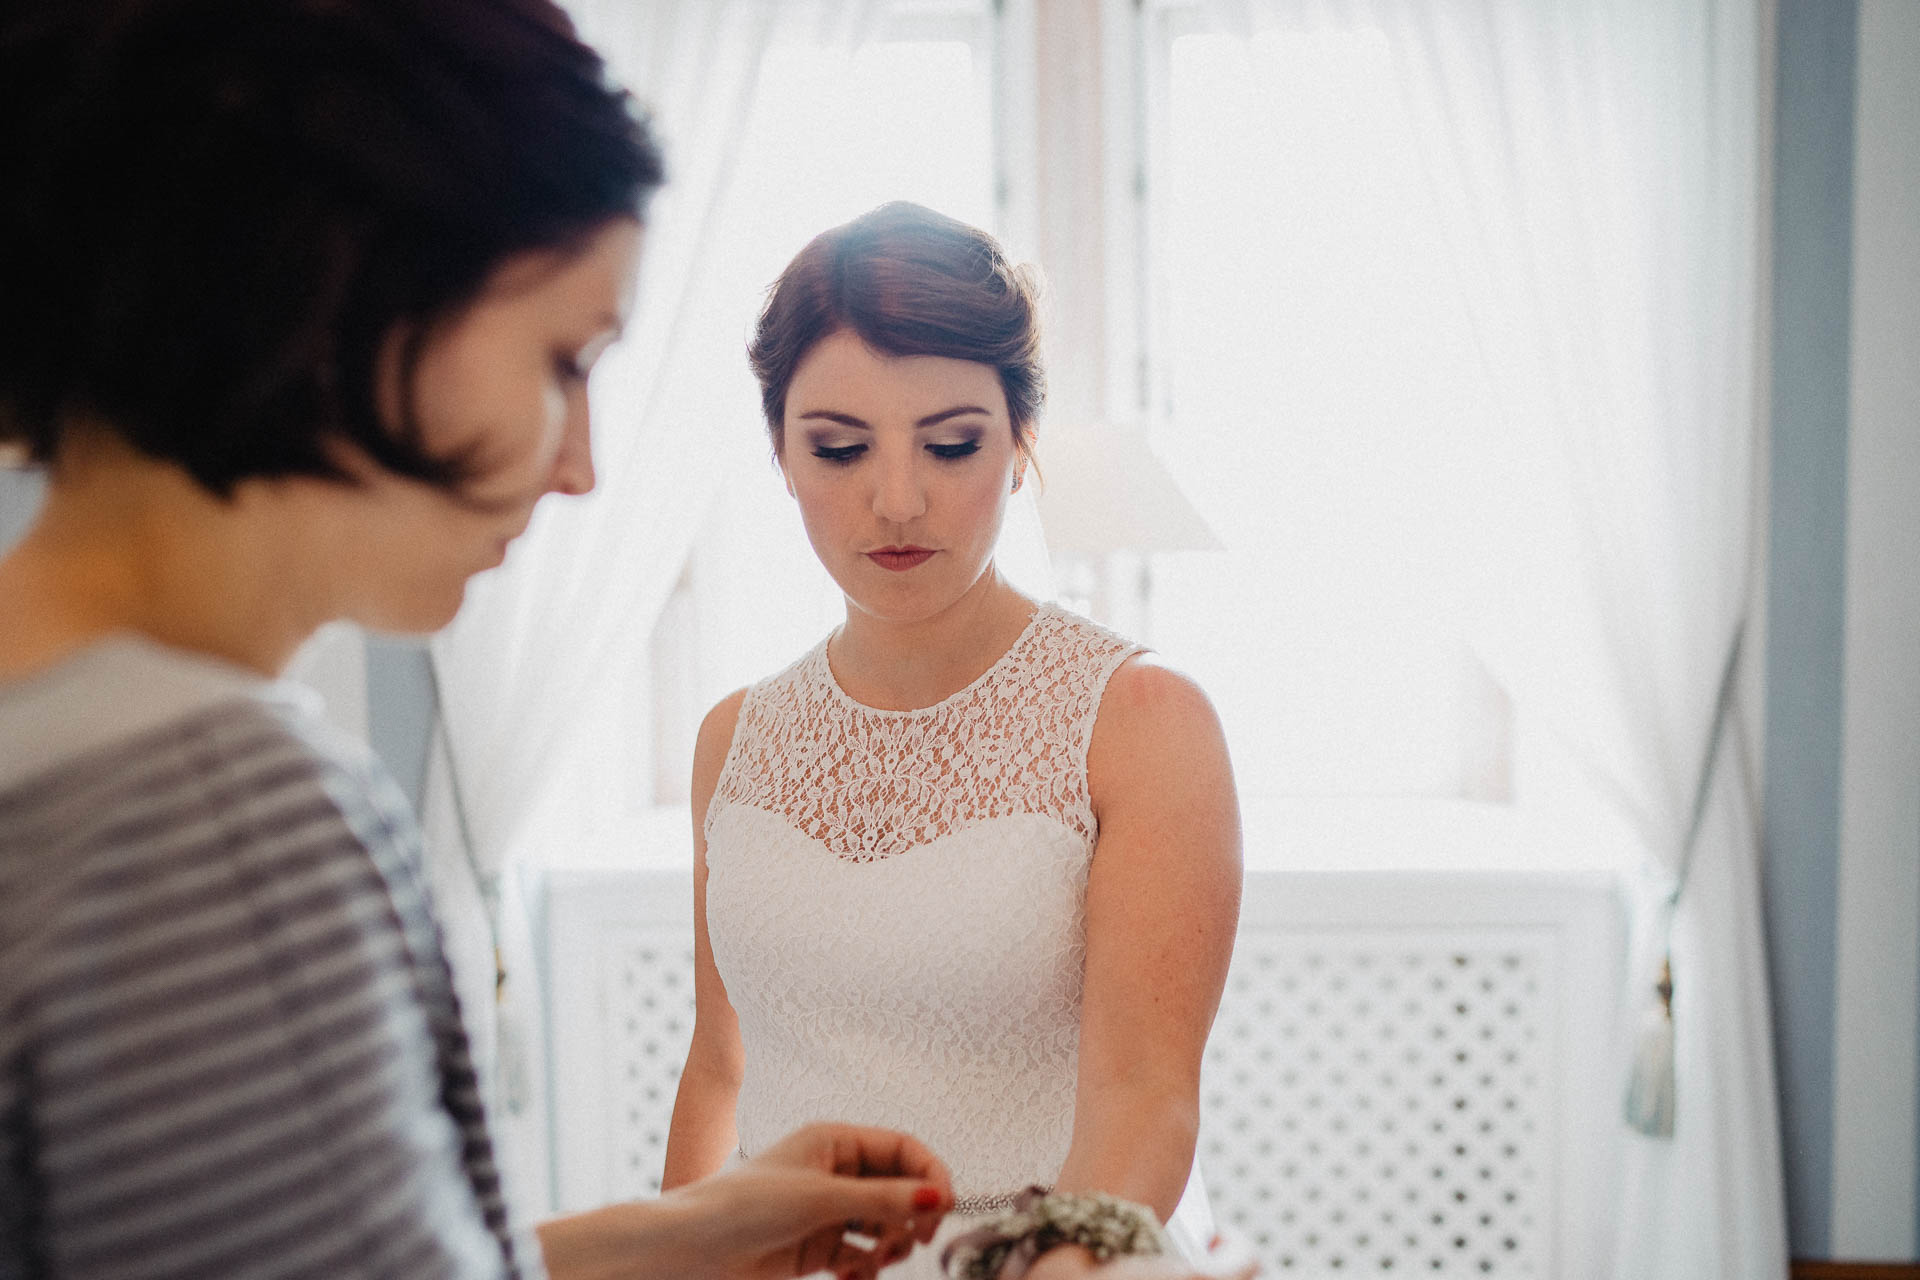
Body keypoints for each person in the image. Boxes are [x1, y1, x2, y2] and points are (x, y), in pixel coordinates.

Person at [0, 3, 956, 1276]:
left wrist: (696, 1221)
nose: (581, 464)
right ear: (338, 285)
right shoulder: (212, 814)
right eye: (565, 358)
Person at [661, 202, 1246, 1279]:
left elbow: (1145, 1096)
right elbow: (717, 1069)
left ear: (1021, 445)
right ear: (781, 454)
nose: (897, 499)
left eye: (951, 442)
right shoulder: (732, 739)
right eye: (837, 447)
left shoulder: (1143, 722)